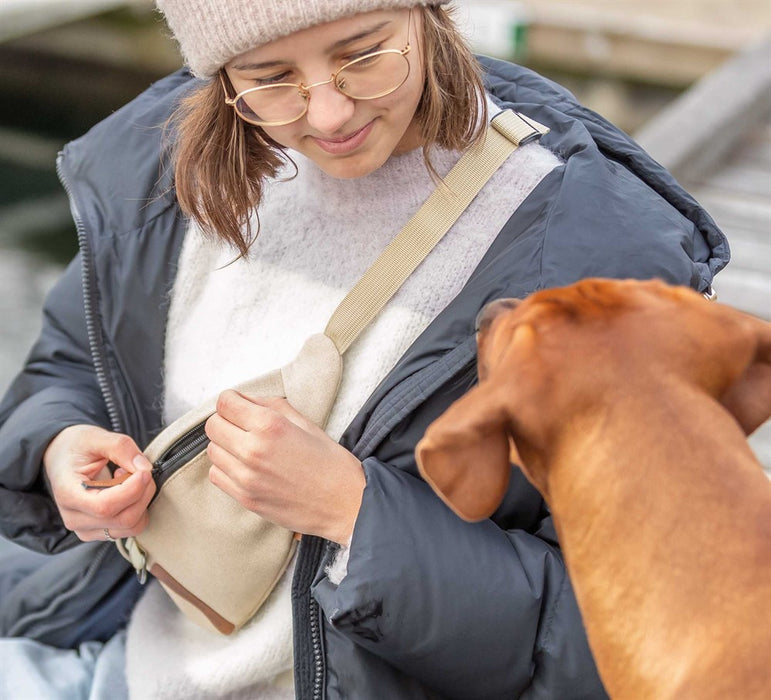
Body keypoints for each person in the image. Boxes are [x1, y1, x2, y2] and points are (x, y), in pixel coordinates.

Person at [0, 0, 728, 698]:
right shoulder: (161, 171)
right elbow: (70, 364)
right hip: (115, 654)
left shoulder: (588, 256)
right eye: (268, 77)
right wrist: (62, 449)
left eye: (364, 54)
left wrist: (355, 512)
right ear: (219, 74)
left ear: (430, 15)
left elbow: (633, 627)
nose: (328, 113)